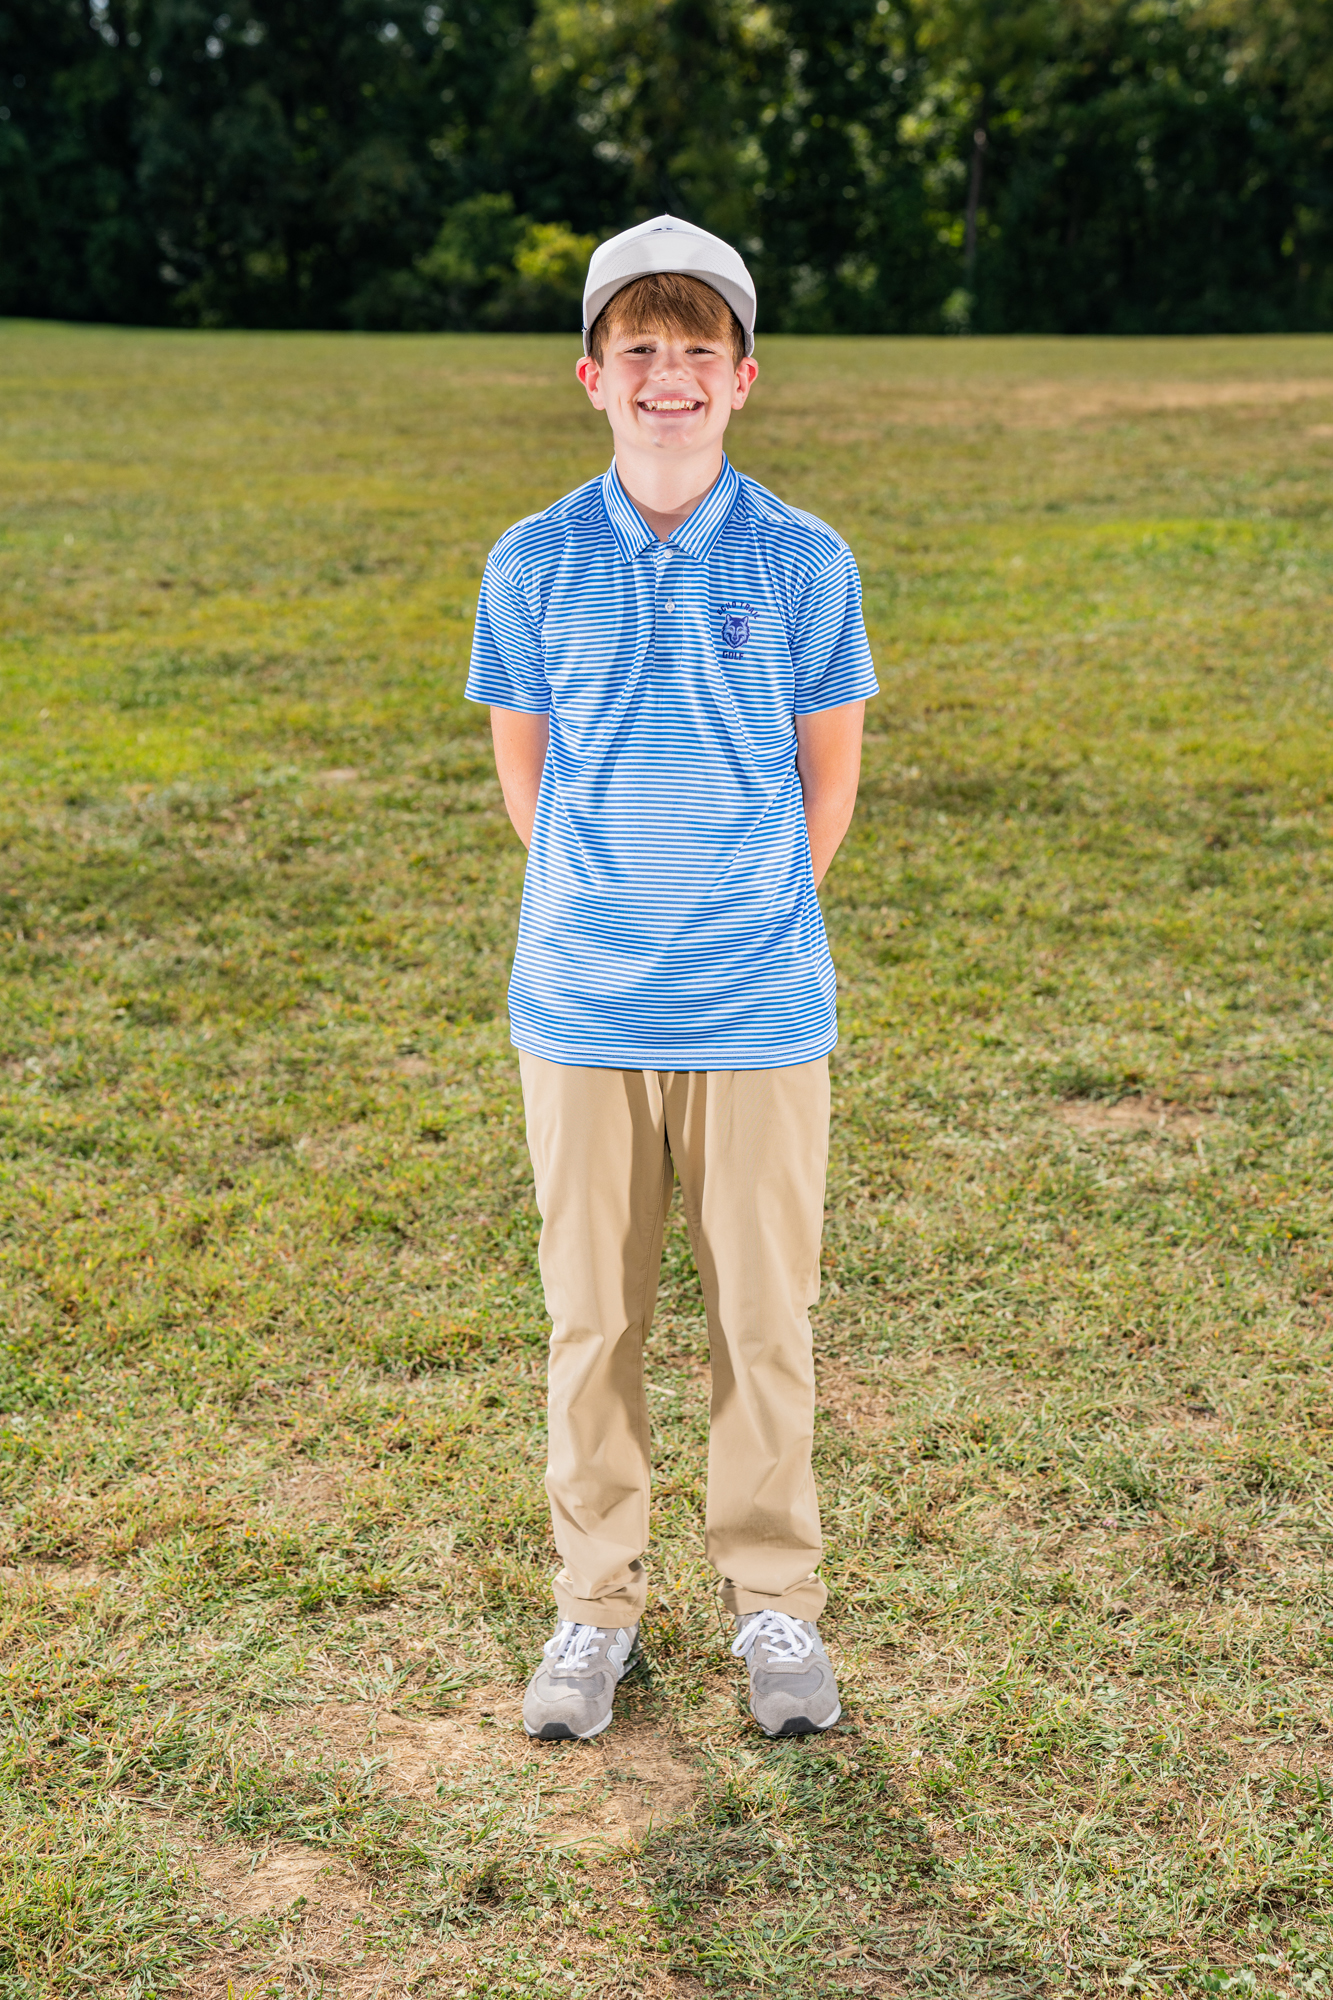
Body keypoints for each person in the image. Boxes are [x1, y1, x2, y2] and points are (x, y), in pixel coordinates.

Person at [465, 215, 878, 1742]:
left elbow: (825, 782)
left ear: (742, 378)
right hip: (580, 1007)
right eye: (637, 347)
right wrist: (615, 912)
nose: (667, 374)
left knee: (763, 1323)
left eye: (697, 349)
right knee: (593, 1324)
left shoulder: (803, 558)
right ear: (592, 376)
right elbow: (528, 780)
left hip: (757, 1008)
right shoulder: (531, 560)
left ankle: (774, 1603)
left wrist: (735, 917)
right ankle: (594, 1609)